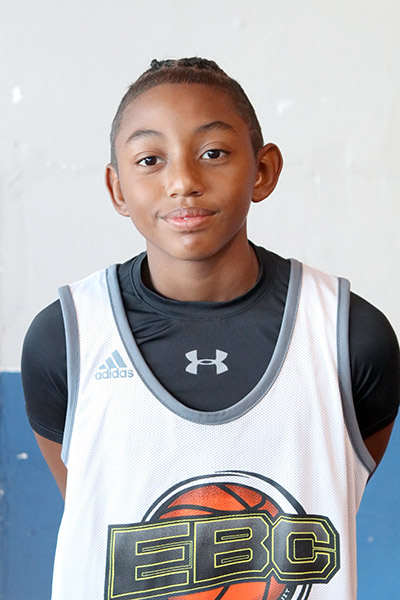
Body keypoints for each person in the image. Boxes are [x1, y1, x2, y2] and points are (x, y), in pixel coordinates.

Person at [22, 57, 399, 600]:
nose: (183, 182)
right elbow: (95, 502)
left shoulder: (349, 336)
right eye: (150, 160)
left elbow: (338, 489)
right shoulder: (67, 338)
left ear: (263, 170)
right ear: (117, 188)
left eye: (213, 153)